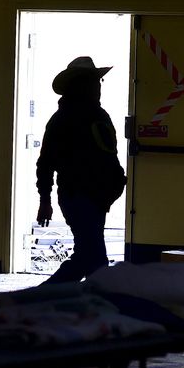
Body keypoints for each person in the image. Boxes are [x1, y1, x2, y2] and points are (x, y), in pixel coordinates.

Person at [35, 56, 127, 284]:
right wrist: (44, 200)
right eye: (94, 81)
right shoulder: (62, 120)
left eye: (99, 82)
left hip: (96, 198)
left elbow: (108, 156)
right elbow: (45, 163)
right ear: (80, 85)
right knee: (93, 258)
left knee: (90, 256)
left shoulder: (100, 115)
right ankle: (43, 297)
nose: (98, 86)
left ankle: (49, 298)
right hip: (78, 196)